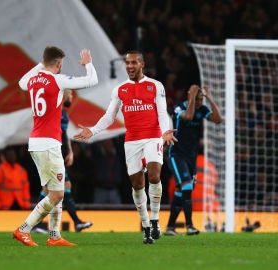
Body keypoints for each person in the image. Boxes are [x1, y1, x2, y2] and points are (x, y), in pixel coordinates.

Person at [74, 51, 176, 244]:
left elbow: (162, 112)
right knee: (137, 185)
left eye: (133, 62)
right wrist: (93, 131)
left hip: (153, 137)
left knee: (154, 175)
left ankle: (155, 220)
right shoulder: (120, 89)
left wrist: (165, 132)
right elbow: (109, 116)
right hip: (132, 141)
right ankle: (146, 226)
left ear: (142, 64)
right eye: (127, 63)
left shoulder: (155, 86)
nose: (129, 66)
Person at [13, 46, 98, 246]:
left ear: (44, 61)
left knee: (55, 189)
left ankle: (54, 237)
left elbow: (21, 82)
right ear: (59, 64)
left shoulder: (32, 80)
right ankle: (23, 229)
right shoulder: (58, 80)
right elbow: (92, 80)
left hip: (37, 142)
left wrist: (41, 64)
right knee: (58, 193)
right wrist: (88, 64)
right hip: (48, 143)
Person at [165, 85, 222, 236]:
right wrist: (191, 98)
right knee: (186, 186)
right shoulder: (179, 108)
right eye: (196, 99)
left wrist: (209, 99)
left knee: (180, 190)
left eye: (200, 100)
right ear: (189, 97)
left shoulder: (202, 109)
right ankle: (190, 226)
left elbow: (218, 119)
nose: (198, 103)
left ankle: (170, 227)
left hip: (191, 158)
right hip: (177, 155)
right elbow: (188, 117)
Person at [35, 90, 93, 232]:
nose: (71, 96)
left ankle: (76, 222)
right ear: (63, 94)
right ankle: (35, 224)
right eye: (70, 94)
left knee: (59, 188)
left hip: (59, 155)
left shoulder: (64, 113)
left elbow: (64, 134)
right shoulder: (51, 112)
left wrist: (70, 151)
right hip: (50, 154)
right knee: (54, 189)